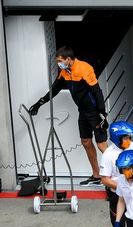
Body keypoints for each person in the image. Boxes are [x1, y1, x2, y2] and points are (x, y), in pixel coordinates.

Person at [29, 46, 108, 186]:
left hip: (94, 112)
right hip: (82, 112)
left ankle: (118, 175)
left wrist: (102, 113)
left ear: (69, 59)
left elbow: (97, 91)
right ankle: (96, 177)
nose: (58, 64)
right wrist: (38, 103)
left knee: (102, 145)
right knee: (86, 142)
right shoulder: (65, 72)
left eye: (60, 61)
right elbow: (54, 90)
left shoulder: (84, 68)